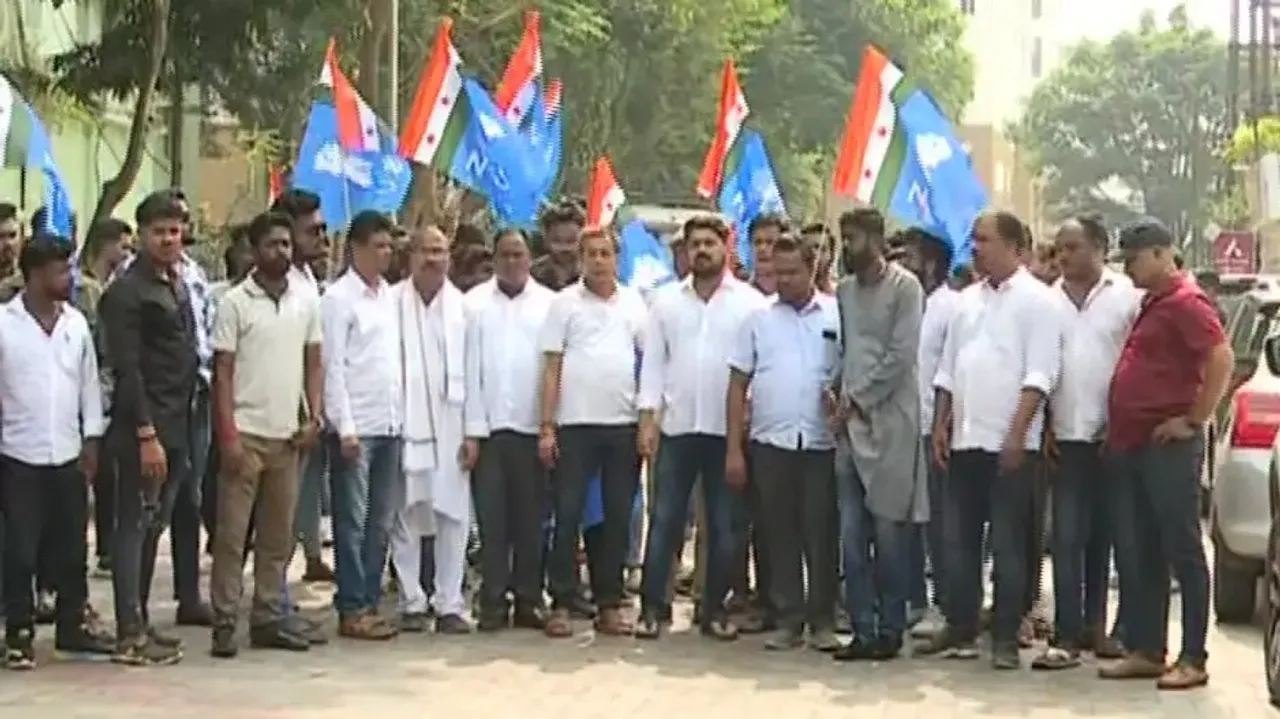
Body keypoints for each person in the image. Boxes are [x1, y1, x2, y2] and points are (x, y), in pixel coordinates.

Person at [925, 210, 1061, 669]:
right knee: (958, 541)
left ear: (1015, 248)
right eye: (974, 239)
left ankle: (1004, 636)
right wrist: (941, 424)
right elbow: (948, 369)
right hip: (965, 440)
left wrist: (1018, 434)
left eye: (984, 240)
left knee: (1008, 546)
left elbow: (1039, 376)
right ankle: (960, 625)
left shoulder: (1038, 302)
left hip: (1011, 447)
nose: (975, 248)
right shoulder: (966, 301)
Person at [1100, 219, 1231, 690]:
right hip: (1134, 444)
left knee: (1182, 550)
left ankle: (1193, 656)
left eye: (1133, 259)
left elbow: (1221, 357)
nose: (1129, 268)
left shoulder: (1187, 302)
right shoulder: (1152, 303)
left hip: (1168, 448)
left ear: (1159, 254)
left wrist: (1194, 419)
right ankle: (1148, 649)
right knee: (1144, 551)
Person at [634, 215, 765, 640]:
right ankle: (654, 609)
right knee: (666, 521)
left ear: (727, 246)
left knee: (725, 527)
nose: (702, 251)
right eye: (695, 245)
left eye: (710, 243)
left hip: (727, 435)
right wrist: (647, 421)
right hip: (676, 429)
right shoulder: (665, 302)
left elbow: (759, 369)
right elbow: (653, 366)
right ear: (685, 252)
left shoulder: (750, 304)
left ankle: (713, 611)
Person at [207, 211, 322, 658]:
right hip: (246, 435)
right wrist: (228, 436)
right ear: (254, 251)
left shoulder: (305, 300)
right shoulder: (235, 302)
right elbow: (222, 373)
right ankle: (223, 621)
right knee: (233, 538)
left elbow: (315, 362)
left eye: (287, 245)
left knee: (277, 538)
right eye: (273, 244)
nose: (283, 252)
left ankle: (269, 616)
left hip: (288, 437)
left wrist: (315, 417)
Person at [1030, 215, 1141, 671]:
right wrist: (1046, 423)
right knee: (1070, 536)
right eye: (1059, 248)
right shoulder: (1046, 302)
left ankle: (1102, 629)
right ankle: (1067, 634)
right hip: (1065, 438)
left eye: (1073, 247)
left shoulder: (1127, 299)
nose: (1063, 256)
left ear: (1099, 248)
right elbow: (1038, 366)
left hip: (1114, 438)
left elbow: (1139, 362)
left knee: (1108, 538)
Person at [0, 236, 113, 669]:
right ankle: (19, 632)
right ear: (35, 274)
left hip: (67, 452)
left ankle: (72, 624)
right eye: (61, 270)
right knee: (20, 550)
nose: (70, 278)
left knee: (71, 546)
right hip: (18, 454)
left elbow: (88, 385)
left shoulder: (76, 324)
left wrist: (92, 440)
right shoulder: (7, 325)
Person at [726, 234, 841, 652]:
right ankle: (788, 618)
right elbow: (738, 384)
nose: (785, 280)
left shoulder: (836, 314)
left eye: (793, 272)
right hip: (770, 445)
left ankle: (823, 619)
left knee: (822, 534)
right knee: (779, 534)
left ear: (812, 268)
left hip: (821, 444)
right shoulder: (758, 320)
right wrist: (734, 449)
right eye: (778, 272)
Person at [100, 191, 200, 665]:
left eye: (174, 231)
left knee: (153, 527)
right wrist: (145, 433)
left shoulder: (176, 283)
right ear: (141, 235)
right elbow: (128, 369)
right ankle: (128, 633)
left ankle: (139, 619)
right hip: (143, 428)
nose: (167, 239)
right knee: (132, 526)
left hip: (179, 423)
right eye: (158, 231)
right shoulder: (126, 293)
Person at [538, 227, 648, 638]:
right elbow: (551, 370)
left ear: (617, 258)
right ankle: (562, 601)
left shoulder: (635, 304)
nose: (599, 260)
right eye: (592, 254)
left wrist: (647, 422)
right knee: (567, 516)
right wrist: (547, 427)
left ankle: (608, 603)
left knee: (616, 519)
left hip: (621, 427)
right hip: (574, 427)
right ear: (581, 259)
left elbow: (649, 364)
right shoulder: (563, 305)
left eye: (606, 253)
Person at [829, 209, 927, 662]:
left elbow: (901, 356)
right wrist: (836, 395)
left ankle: (891, 628)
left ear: (874, 238)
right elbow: (846, 350)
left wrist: (860, 398)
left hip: (892, 425)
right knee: (851, 536)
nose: (845, 246)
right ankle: (862, 630)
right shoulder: (845, 291)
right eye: (843, 238)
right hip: (850, 429)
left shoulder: (906, 288)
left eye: (852, 238)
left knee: (890, 535)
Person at [464, 228, 555, 632]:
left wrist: (550, 429)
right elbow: (467, 373)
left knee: (531, 522)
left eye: (519, 254)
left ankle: (530, 599)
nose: (512, 262)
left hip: (533, 430)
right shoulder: (473, 305)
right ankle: (493, 600)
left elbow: (554, 371)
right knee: (493, 522)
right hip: (489, 431)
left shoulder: (552, 306)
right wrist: (471, 431)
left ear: (531, 258)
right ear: (495, 258)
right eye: (504, 254)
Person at [388, 226, 474, 634]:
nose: (432, 259)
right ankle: (411, 600)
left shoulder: (464, 309)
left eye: (440, 251)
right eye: (425, 250)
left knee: (453, 515)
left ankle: (449, 602)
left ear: (449, 258)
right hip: (404, 421)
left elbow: (476, 375)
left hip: (453, 424)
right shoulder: (390, 303)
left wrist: (475, 432)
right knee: (405, 512)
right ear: (411, 256)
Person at [321, 209, 402, 640]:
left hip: (390, 424)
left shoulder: (390, 296)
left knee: (381, 522)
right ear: (355, 249)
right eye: (377, 246)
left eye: (389, 246)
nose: (385, 253)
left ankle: (369, 601)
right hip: (357, 427)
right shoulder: (338, 299)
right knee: (351, 521)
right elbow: (333, 367)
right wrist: (344, 425)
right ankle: (351, 605)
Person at [897, 228, 962, 640]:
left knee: (940, 523)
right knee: (907, 522)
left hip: (934, 431)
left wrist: (941, 423)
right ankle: (913, 599)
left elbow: (949, 372)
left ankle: (946, 603)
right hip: (902, 429)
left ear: (932, 263)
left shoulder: (950, 307)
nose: (901, 264)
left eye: (910, 257)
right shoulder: (906, 304)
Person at [270, 189, 334, 584]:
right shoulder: (279, 286)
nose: (322, 239)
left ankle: (310, 557)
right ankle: (273, 590)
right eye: (313, 231)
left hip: (313, 405)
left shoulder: (310, 277)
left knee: (308, 490)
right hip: (283, 409)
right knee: (281, 507)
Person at [78, 218, 134, 576]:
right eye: (124, 247)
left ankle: (105, 549)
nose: (127, 255)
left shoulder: (108, 286)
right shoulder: (89, 290)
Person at [531, 203, 584, 291]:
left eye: (571, 241)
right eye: (557, 241)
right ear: (546, 239)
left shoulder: (593, 274)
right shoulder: (532, 276)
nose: (564, 247)